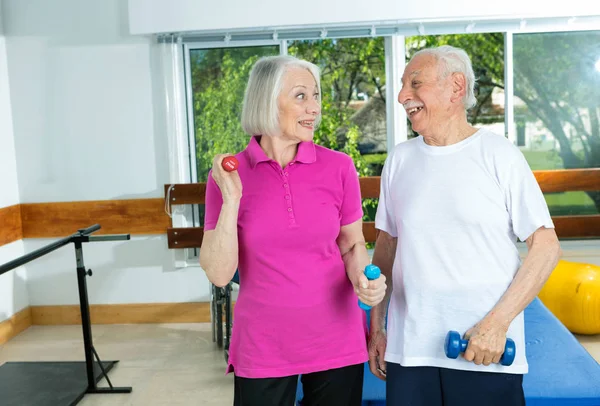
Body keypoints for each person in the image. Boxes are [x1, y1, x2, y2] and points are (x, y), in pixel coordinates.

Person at [367, 45, 562, 405]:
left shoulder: (498, 153)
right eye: (402, 85)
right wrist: (376, 328)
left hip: (482, 348)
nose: (401, 95)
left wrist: (496, 325)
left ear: (456, 88)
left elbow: (546, 247)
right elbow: (387, 247)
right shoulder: (399, 159)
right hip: (410, 351)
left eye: (415, 83)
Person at [199, 55, 387, 406]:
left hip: (336, 339)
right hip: (263, 343)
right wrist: (232, 198)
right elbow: (220, 275)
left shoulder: (339, 167)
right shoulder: (228, 175)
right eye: (301, 96)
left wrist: (365, 280)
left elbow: (351, 245)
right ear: (267, 101)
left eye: (316, 96)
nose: (314, 107)